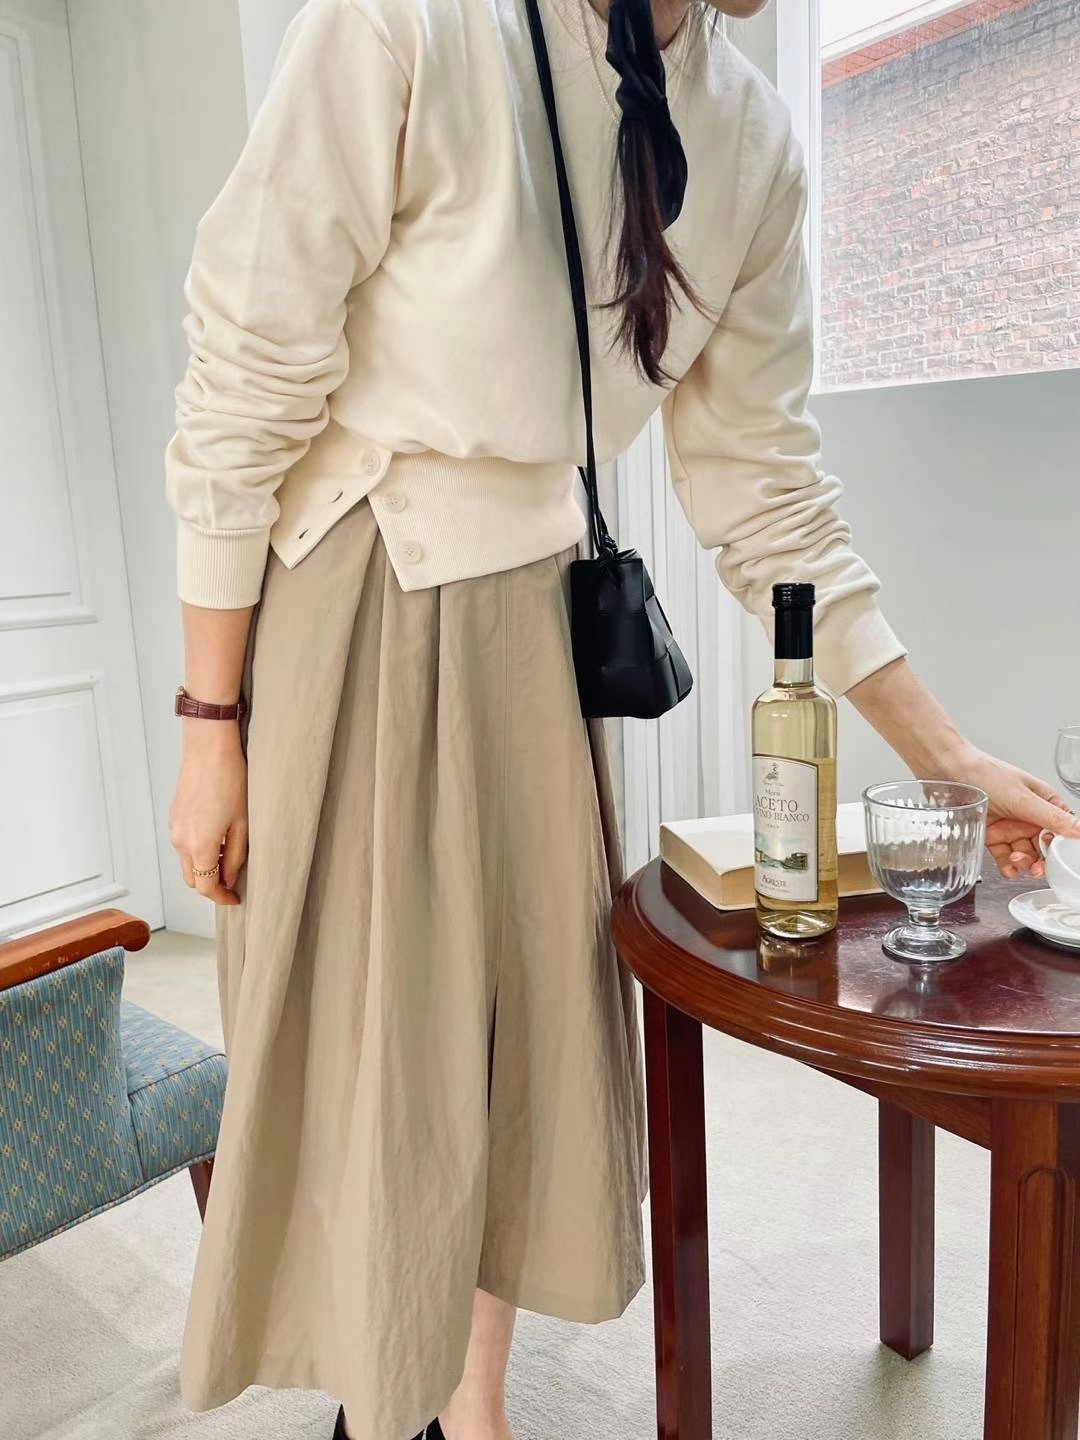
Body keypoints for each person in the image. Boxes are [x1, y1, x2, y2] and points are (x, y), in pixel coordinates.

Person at [165, 1, 1080, 1437]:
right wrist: (209, 716)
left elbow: (767, 489)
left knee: (519, 1050)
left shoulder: (751, 139)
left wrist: (949, 758)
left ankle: (472, 1408)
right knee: (374, 1050)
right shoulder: (407, 22)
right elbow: (246, 372)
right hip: (361, 595)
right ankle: (384, 1401)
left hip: (542, 626)